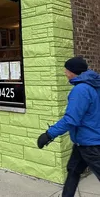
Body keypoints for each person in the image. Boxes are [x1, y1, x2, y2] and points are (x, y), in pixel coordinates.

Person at [37, 57, 100, 197]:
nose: (65, 72)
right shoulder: (95, 85)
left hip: (90, 144)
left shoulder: (81, 90)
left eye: (66, 69)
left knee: (74, 171)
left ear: (73, 71)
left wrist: (49, 134)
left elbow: (71, 119)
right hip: (83, 142)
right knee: (73, 170)